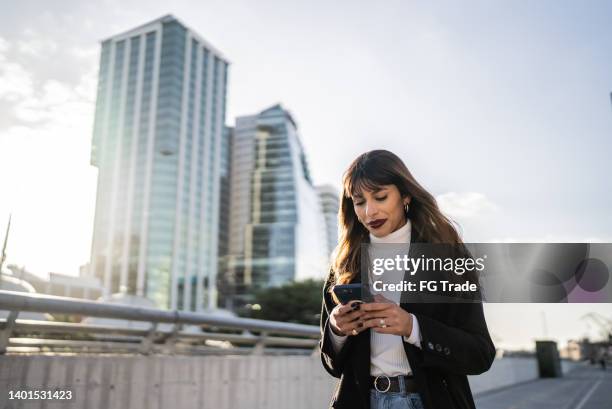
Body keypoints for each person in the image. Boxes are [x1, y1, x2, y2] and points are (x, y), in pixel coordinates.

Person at [319, 150, 496, 409]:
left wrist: (412, 327)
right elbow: (332, 365)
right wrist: (337, 331)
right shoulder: (344, 262)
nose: (370, 211)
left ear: (405, 195)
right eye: (359, 201)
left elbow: (480, 354)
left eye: (380, 197)